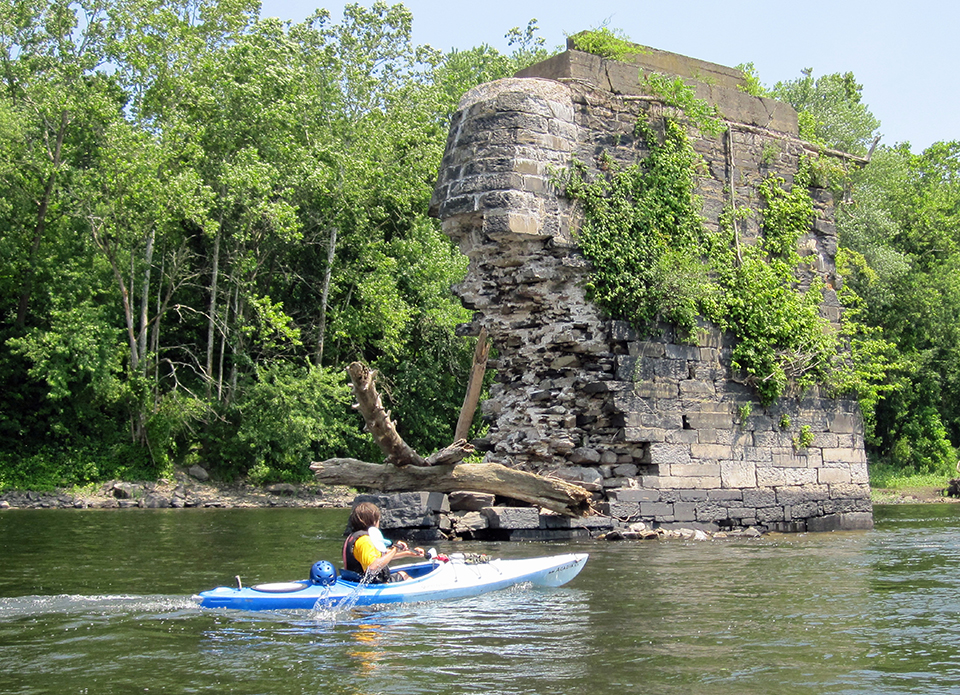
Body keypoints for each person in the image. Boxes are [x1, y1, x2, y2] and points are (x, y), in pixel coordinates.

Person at [342, 501, 423, 583]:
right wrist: (395, 549)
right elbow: (372, 568)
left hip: (354, 582)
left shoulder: (354, 537)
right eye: (378, 519)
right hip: (371, 586)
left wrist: (408, 553)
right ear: (374, 521)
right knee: (404, 576)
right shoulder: (365, 541)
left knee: (401, 574)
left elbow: (381, 555)